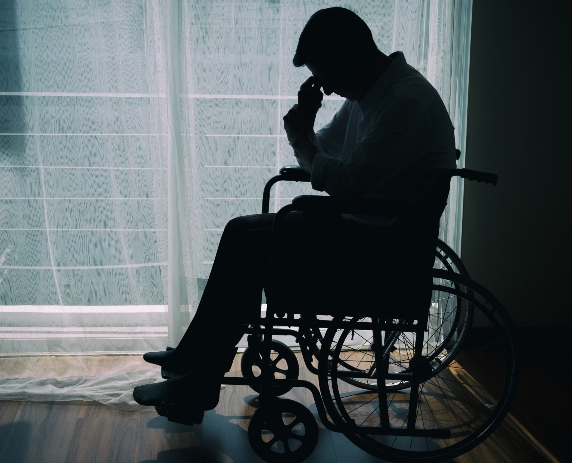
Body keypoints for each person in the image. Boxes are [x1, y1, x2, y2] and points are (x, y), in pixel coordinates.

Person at [132, 7, 457, 424]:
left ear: (350, 58)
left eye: (327, 76)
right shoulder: (372, 95)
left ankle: (199, 372)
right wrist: (306, 128)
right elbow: (320, 156)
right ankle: (198, 360)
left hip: (384, 247)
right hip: (366, 227)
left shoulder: (405, 104)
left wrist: (304, 141)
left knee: (250, 239)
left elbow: (343, 181)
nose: (330, 89)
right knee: (243, 232)